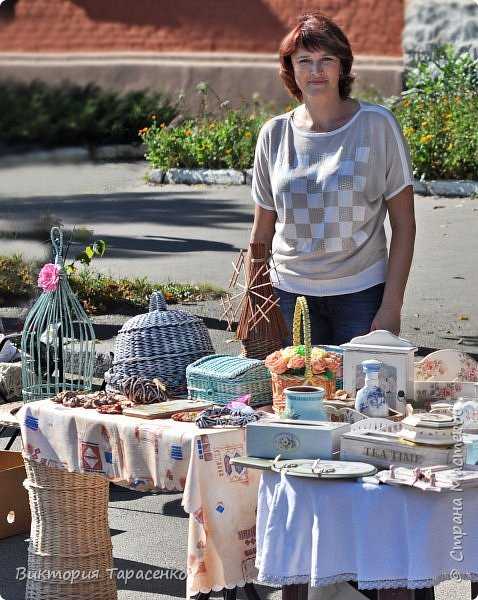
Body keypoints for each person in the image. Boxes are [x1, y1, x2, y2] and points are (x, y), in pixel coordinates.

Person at [249, 11, 416, 346]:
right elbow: (263, 229)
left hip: (361, 296)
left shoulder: (377, 126)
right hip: (287, 297)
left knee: (357, 396)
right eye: (304, 60)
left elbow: (404, 225)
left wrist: (391, 307)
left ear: (342, 66)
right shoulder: (274, 134)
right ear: (290, 68)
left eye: (327, 59)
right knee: (291, 395)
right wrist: (254, 301)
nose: (316, 70)